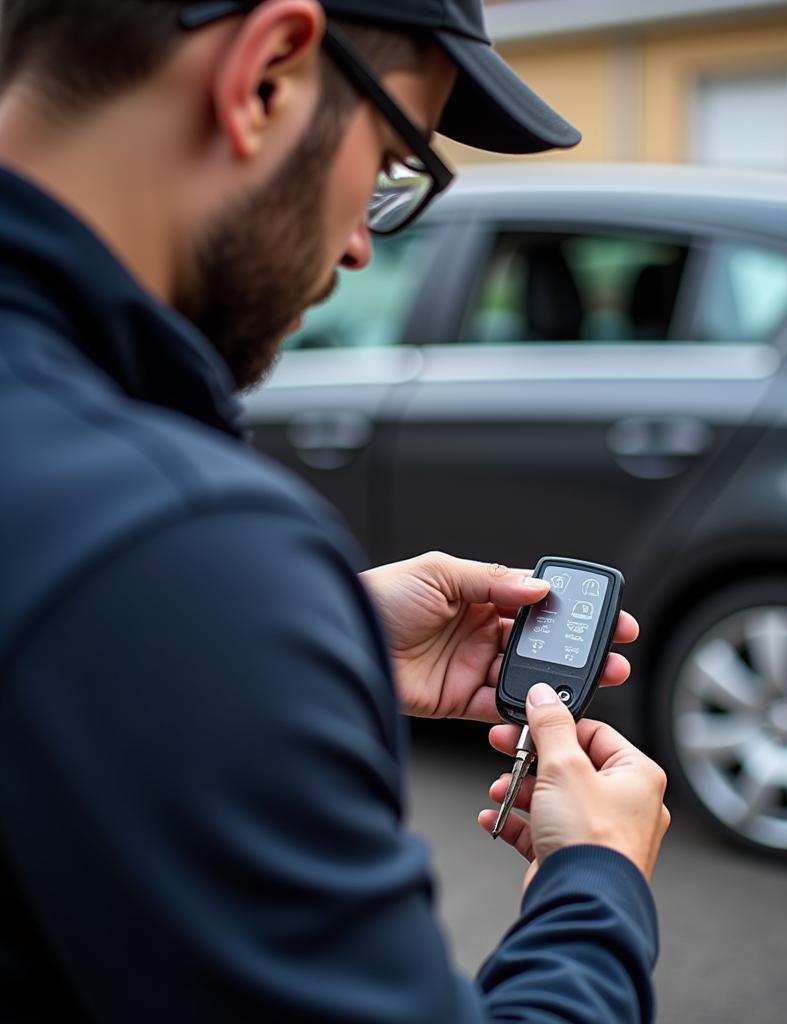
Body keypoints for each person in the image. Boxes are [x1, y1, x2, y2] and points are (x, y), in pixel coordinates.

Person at [0, 1, 671, 1020]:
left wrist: (296, 637)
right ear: (267, 74)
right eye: (396, 162)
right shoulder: (175, 547)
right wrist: (599, 882)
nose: (361, 244)